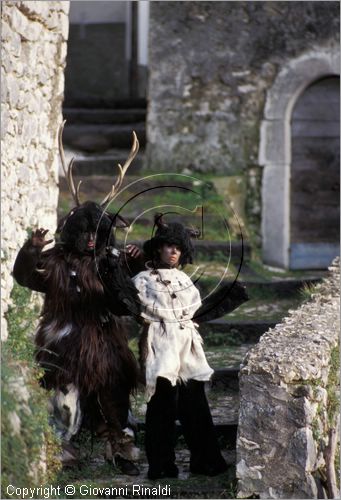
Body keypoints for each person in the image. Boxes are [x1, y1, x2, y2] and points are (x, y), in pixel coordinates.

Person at [132, 215, 230, 479]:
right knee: (162, 403)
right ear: (157, 248)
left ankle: (205, 460)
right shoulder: (143, 280)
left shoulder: (185, 281)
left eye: (178, 247)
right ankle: (162, 465)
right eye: (168, 245)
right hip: (160, 342)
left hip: (187, 344)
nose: (173, 251)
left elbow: (194, 310)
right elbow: (139, 308)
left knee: (195, 402)